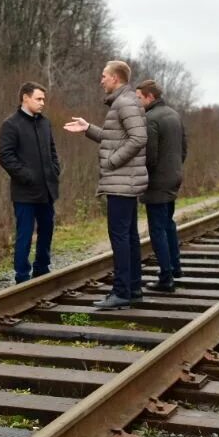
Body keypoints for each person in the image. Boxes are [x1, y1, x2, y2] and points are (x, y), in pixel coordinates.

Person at [64, 60, 148, 308]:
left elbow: (139, 138)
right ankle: (133, 289)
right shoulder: (124, 103)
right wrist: (88, 128)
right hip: (124, 181)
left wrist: (112, 162)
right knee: (129, 236)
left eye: (104, 76)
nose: (101, 80)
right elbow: (114, 138)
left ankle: (122, 291)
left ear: (115, 78)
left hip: (122, 181)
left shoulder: (124, 103)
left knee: (120, 236)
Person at [0, 82, 61, 283]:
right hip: (25, 192)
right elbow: (5, 156)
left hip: (47, 190)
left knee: (47, 229)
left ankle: (42, 268)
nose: (42, 103)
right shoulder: (11, 124)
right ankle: (22, 275)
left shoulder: (45, 123)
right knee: (24, 233)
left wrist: (54, 170)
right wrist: (27, 176)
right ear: (25, 98)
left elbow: (52, 151)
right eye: (38, 98)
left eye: (43, 99)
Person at [136, 79, 187, 293]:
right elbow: (184, 148)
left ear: (150, 97)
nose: (138, 102)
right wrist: (174, 169)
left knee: (157, 230)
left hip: (157, 182)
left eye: (139, 98)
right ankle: (175, 267)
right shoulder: (174, 115)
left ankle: (166, 278)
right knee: (168, 224)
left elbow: (150, 157)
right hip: (173, 177)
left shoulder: (150, 119)